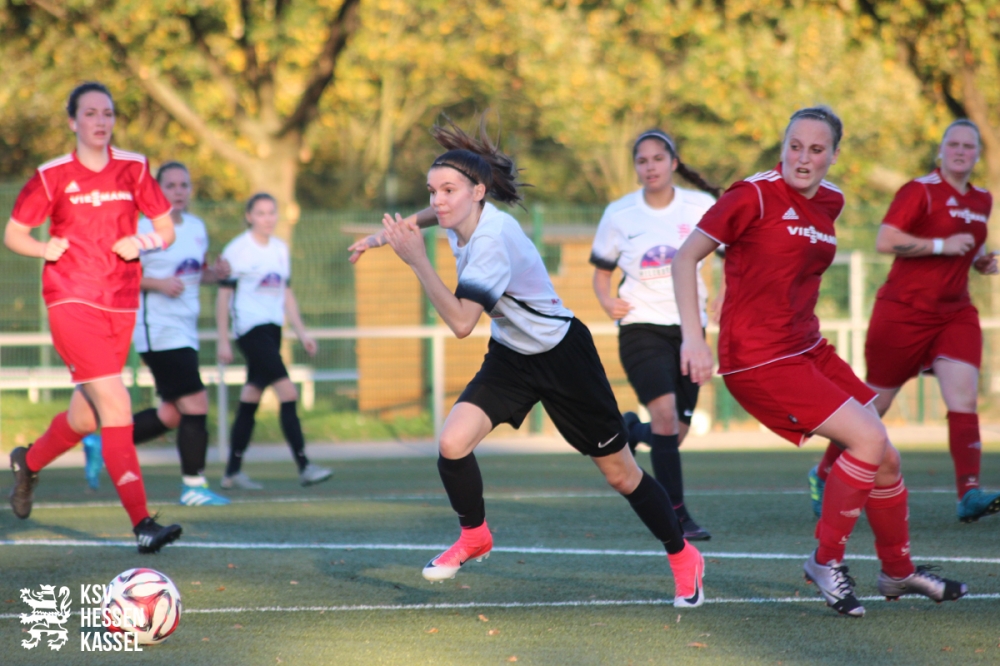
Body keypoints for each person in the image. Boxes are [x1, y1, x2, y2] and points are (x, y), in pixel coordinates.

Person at [348, 117, 705, 608]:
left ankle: (683, 555)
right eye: (432, 190)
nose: (438, 201)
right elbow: (432, 215)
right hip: (512, 356)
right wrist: (383, 236)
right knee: (452, 443)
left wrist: (417, 260)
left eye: (448, 190)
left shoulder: (492, 241)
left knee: (622, 475)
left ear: (479, 192)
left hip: (564, 357)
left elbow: (461, 323)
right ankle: (474, 536)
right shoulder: (459, 215)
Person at [672, 106, 968, 617]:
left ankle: (898, 572)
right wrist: (693, 340)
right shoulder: (752, 194)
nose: (803, 159)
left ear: (833, 155)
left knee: (886, 457)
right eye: (794, 146)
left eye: (815, 149)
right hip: (758, 358)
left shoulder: (832, 201)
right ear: (782, 146)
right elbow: (684, 258)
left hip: (808, 348)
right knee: (867, 440)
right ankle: (824, 562)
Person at [3, 81, 183, 553]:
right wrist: (44, 248)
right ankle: (143, 523)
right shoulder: (52, 176)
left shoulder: (134, 168)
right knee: (116, 404)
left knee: (85, 417)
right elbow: (14, 234)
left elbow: (166, 229)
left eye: (107, 113)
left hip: (121, 302)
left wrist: (142, 241)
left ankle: (28, 462)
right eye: (90, 113)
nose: (100, 121)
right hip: (70, 298)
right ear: (72, 121)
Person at [808, 120, 999, 525]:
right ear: (941, 150)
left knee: (964, 397)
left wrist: (982, 261)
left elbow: (971, 244)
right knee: (875, 404)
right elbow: (886, 239)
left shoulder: (983, 199)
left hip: (955, 313)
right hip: (903, 312)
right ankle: (822, 474)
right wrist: (942, 245)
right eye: (953, 144)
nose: (960, 151)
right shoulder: (920, 191)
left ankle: (969, 493)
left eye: (968, 146)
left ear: (978, 155)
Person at [590, 129, 721, 542]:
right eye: (642, 161)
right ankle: (676, 515)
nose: (650, 167)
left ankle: (632, 433)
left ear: (674, 163)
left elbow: (733, 256)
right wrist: (606, 301)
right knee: (664, 415)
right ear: (636, 167)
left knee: (675, 432)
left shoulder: (701, 206)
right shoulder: (619, 213)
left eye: (658, 159)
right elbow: (601, 274)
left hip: (690, 330)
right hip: (640, 327)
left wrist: (725, 295)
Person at [84, 162, 232, 506]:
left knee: (172, 414)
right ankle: (193, 485)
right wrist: (158, 284)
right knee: (197, 402)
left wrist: (216, 274)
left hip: (186, 330)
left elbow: (197, 274)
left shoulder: (196, 227)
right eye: (171, 185)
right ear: (157, 191)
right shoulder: (142, 230)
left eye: (184, 185)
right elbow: (117, 276)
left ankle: (101, 444)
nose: (178, 191)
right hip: (158, 331)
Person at [216, 193, 332, 489]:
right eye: (261, 213)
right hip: (250, 331)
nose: (267, 219)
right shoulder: (237, 250)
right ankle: (305, 466)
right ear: (249, 216)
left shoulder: (280, 249)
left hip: (272, 331)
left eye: (271, 212)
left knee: (251, 396)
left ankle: (232, 472)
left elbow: (286, 294)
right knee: (288, 392)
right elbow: (224, 296)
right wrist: (223, 340)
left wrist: (302, 333)